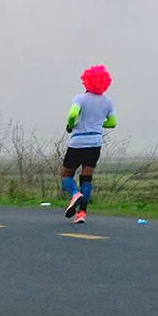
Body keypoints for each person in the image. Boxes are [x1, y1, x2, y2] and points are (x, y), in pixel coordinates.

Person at [62, 64, 116, 223]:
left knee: (66, 174)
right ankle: (82, 214)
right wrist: (99, 125)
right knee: (86, 177)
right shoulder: (108, 102)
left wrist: (71, 124)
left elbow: (73, 114)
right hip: (95, 143)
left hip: (78, 142)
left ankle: (74, 194)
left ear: (87, 80)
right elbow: (112, 123)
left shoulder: (80, 98)